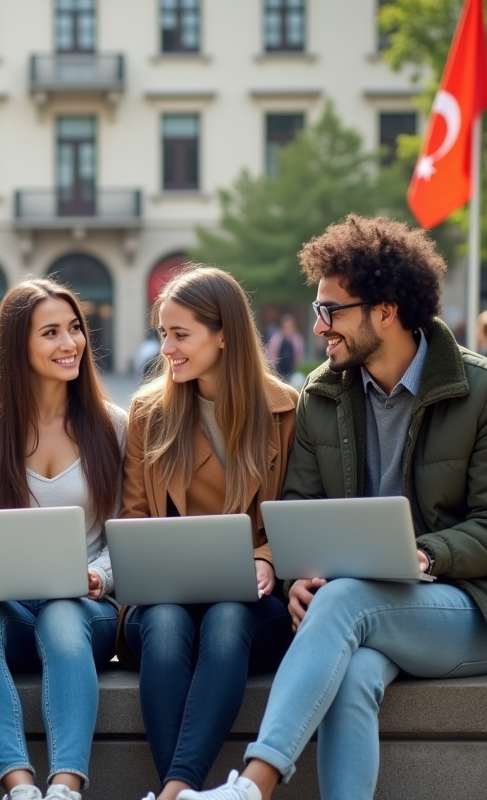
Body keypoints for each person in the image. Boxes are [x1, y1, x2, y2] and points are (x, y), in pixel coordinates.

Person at [181, 215, 487, 800]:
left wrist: (421, 557)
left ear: (386, 310)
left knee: (347, 598)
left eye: (333, 311)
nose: (319, 326)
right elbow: (298, 507)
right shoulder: (323, 393)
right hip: (369, 610)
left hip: (479, 608)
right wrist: (298, 579)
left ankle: (252, 785)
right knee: (348, 673)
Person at [0, 279, 126, 800]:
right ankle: (19, 786)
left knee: (64, 614)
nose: (70, 343)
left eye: (74, 329)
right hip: (10, 612)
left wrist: (99, 575)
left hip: (89, 610)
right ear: (18, 345)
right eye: (51, 333)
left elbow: (128, 531)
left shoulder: (114, 426)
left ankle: (65, 786)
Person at [119, 267, 298, 800]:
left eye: (180, 334)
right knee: (170, 624)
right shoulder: (150, 412)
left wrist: (265, 557)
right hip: (162, 601)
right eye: (163, 333)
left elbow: (300, 511)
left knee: (225, 617)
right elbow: (132, 519)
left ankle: (172, 792)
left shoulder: (286, 409)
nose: (166, 348)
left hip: (253, 604)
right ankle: (182, 792)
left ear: (224, 334)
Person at [265, 314, 305, 382]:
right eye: (286, 327)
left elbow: (298, 359)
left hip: (291, 372)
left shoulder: (297, 340)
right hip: (278, 371)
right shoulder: (276, 339)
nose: (288, 329)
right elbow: (271, 357)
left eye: (290, 326)